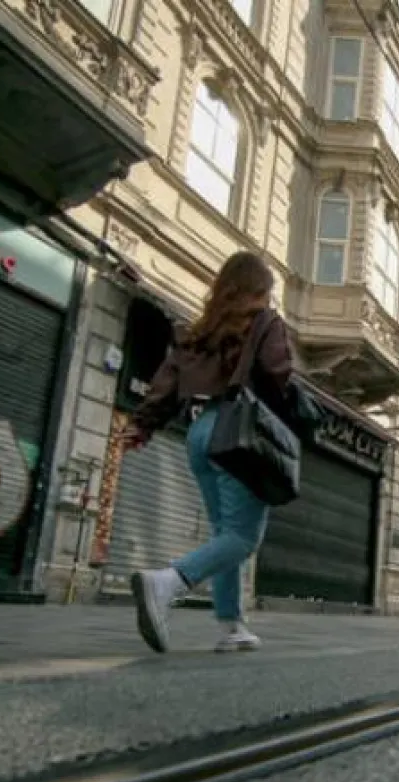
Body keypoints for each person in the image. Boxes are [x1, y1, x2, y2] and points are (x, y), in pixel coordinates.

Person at [121, 251, 294, 654]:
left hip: (200, 433)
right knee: (242, 537)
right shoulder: (266, 323)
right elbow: (277, 374)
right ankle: (167, 583)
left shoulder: (197, 331)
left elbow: (165, 384)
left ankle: (232, 625)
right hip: (239, 432)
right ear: (260, 290)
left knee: (224, 532)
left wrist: (142, 425)